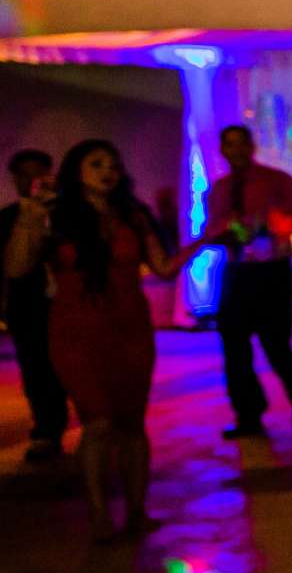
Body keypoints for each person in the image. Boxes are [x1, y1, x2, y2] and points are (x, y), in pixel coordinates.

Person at [6, 141, 171, 538]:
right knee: (97, 423)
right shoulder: (54, 215)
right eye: (96, 164)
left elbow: (162, 266)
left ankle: (136, 512)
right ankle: (98, 515)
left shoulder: (133, 215)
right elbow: (17, 267)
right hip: (77, 329)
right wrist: (30, 216)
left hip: (130, 327)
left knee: (132, 424)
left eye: (113, 164)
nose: (107, 171)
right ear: (75, 170)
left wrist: (206, 239)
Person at [200, 124, 292, 441]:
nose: (236, 151)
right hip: (239, 271)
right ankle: (248, 413)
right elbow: (211, 230)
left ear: (251, 146)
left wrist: (287, 247)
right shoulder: (221, 189)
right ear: (223, 150)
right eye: (229, 145)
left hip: (272, 271)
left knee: (276, 344)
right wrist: (226, 233)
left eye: (241, 144)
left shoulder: (277, 182)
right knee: (234, 346)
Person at [2, 149, 68, 460]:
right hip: (26, 307)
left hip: (67, 305)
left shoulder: (67, 214)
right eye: (24, 174)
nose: (31, 181)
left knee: (72, 366)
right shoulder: (7, 218)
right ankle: (46, 430)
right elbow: (10, 268)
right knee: (35, 369)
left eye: (37, 173)